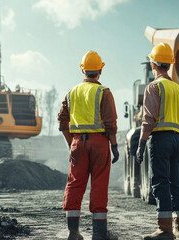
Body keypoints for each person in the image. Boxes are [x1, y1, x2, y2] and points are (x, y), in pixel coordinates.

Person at [58, 50, 119, 240]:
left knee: (75, 184)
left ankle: (73, 233)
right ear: (100, 70)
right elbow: (110, 124)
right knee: (99, 185)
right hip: (100, 144)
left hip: (78, 143)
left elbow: (62, 122)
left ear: (82, 70)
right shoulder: (104, 92)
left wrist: (71, 143)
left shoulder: (71, 93)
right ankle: (99, 235)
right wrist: (114, 146)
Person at [136, 43, 179, 240]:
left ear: (153, 65)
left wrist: (142, 144)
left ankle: (165, 230)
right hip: (176, 140)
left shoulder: (154, 87)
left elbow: (148, 119)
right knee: (176, 184)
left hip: (161, 139)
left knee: (160, 182)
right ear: (169, 65)